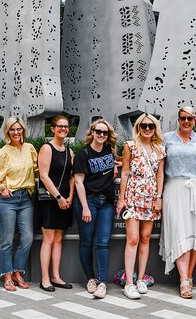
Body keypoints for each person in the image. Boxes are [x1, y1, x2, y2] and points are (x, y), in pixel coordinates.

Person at [159, 106, 196, 299]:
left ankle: (188, 275)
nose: (186, 121)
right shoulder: (166, 138)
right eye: (183, 118)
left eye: (190, 118)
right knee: (178, 231)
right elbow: (158, 164)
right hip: (175, 188)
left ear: (195, 120)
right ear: (178, 119)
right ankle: (184, 278)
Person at [116, 113, 166, 299]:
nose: (147, 129)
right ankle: (129, 282)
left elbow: (160, 175)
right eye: (143, 125)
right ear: (138, 127)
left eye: (150, 126)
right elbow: (126, 172)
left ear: (155, 129)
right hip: (133, 195)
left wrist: (158, 197)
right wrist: (122, 198)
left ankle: (141, 279)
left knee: (145, 237)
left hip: (151, 197)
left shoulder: (160, 149)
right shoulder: (130, 146)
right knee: (133, 239)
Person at [0, 117, 36, 292]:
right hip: (7, 199)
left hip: (25, 198)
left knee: (28, 238)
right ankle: (6, 275)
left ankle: (17, 271)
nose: (16, 132)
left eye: (19, 129)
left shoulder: (30, 149)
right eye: (12, 130)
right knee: (6, 240)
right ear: (7, 132)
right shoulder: (2, 153)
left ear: (23, 130)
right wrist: (2, 187)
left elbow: (38, 169)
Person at [73, 118, 118, 299]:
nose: (101, 135)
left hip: (106, 203)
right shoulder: (83, 154)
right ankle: (90, 278)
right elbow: (78, 181)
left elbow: (112, 168)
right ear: (92, 132)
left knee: (103, 242)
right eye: (98, 131)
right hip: (88, 202)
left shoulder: (109, 150)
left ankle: (102, 282)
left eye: (105, 133)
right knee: (86, 241)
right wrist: (85, 207)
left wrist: (116, 166)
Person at [37, 115, 74, 292]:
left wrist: (70, 197)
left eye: (66, 127)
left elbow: (72, 176)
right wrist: (59, 197)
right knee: (49, 239)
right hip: (51, 200)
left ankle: (56, 276)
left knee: (59, 239)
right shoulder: (46, 148)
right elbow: (44, 176)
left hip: (65, 200)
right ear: (52, 129)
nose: (63, 129)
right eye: (59, 126)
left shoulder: (69, 151)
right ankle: (45, 279)